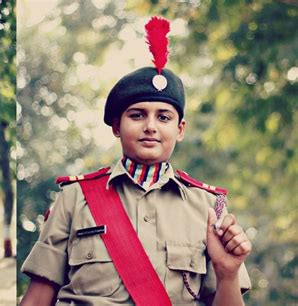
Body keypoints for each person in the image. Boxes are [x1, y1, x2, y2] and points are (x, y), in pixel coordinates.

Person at [20, 16, 251, 306]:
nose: (151, 126)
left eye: (164, 117)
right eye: (137, 115)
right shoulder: (75, 198)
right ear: (117, 126)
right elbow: (38, 298)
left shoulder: (209, 207)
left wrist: (228, 274)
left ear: (180, 130)